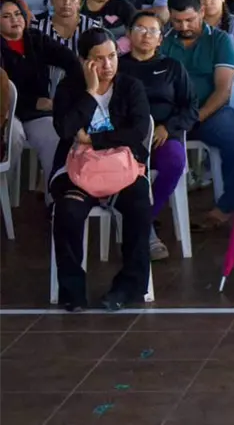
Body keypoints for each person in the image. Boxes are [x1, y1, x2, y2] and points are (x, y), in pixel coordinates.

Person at [50, 28, 152, 311]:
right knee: (68, 212)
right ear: (84, 61)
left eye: (112, 56)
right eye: (99, 59)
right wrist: (91, 93)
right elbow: (65, 130)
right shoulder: (69, 88)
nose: (108, 65)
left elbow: (138, 131)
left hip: (122, 169)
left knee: (139, 206)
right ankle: (72, 292)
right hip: (76, 171)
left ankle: (128, 287)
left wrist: (93, 140)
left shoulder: (130, 86)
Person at [161, 0, 234, 228]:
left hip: (208, 113)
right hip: (172, 116)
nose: (184, 26)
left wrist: (195, 117)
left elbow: (223, 90)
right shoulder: (164, 41)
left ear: (201, 12)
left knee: (233, 136)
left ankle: (228, 204)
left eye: (189, 20)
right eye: (177, 21)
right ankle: (148, 213)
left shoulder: (220, 40)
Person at [119, 11, 197, 260]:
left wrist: (169, 127)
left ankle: (144, 220)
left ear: (161, 39)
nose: (146, 35)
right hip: (126, 139)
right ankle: (145, 230)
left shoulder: (172, 67)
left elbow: (190, 107)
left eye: (153, 31)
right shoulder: (117, 66)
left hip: (161, 137)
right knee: (128, 168)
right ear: (129, 34)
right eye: (140, 29)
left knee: (175, 160)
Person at [0, 0, 85, 191]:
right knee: (14, 136)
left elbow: (70, 60)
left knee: (55, 136)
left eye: (18, 14)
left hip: (36, 113)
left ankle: (54, 197)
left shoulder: (35, 38)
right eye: (6, 16)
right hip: (7, 113)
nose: (15, 19)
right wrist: (34, 102)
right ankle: (5, 192)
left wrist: (66, 96)